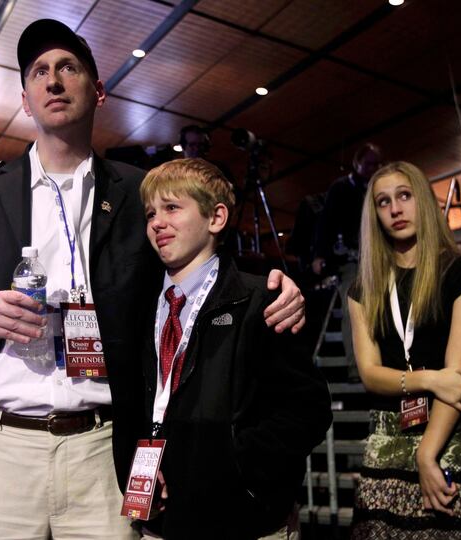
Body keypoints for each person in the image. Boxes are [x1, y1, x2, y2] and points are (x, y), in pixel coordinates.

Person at [0, 18, 306, 539]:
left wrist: (276, 286)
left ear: (97, 91)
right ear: (26, 99)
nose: (53, 80)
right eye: (38, 72)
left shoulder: (138, 192)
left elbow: (198, 265)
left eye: (67, 68)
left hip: (104, 449)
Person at [136, 158, 331, 539]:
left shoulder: (262, 299)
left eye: (172, 207)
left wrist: (234, 467)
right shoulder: (140, 309)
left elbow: (307, 410)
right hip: (160, 521)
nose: (157, 222)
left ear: (217, 217)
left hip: (243, 522)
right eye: (150, 213)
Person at [348, 161, 461, 537]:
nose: (395, 209)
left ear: (423, 201)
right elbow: (371, 375)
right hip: (389, 440)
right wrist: (430, 379)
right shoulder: (363, 289)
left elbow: (457, 381)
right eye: (383, 202)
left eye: (405, 196)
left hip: (459, 432)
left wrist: (427, 454)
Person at [313, 143, 383, 375]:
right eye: (369, 163)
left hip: (377, 259)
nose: (373, 168)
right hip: (350, 260)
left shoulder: (377, 189)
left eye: (377, 164)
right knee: (354, 310)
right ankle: (357, 367)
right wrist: (320, 255)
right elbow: (326, 222)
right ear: (357, 163)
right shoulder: (340, 189)